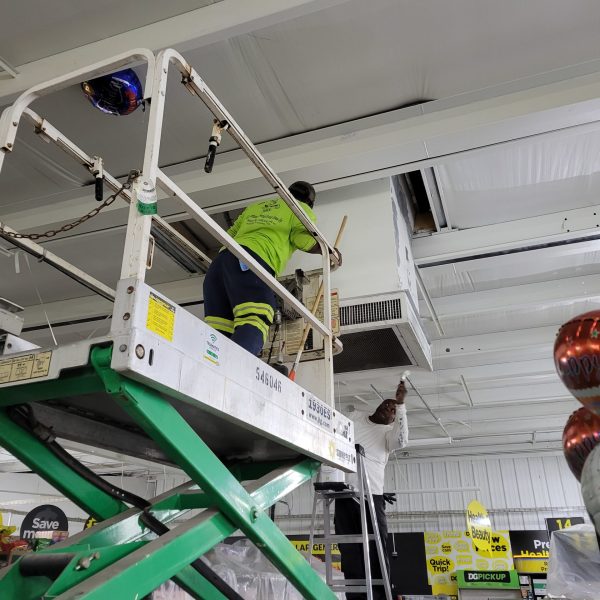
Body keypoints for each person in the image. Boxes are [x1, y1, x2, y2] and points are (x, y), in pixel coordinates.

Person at [203, 181, 340, 359]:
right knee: (256, 317)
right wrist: (329, 251)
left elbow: (229, 235)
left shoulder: (256, 207)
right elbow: (302, 239)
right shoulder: (299, 209)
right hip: (251, 262)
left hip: (220, 265)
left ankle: (211, 364)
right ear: (309, 203)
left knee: (219, 328)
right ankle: (231, 371)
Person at [335, 380, 408, 600]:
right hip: (345, 494)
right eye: (388, 404)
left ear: (393, 420)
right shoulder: (355, 418)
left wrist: (402, 405)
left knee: (376, 548)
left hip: (372, 496)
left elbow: (402, 440)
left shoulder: (388, 435)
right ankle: (356, 597)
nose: (390, 408)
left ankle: (380, 596)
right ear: (378, 406)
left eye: (393, 411)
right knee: (349, 549)